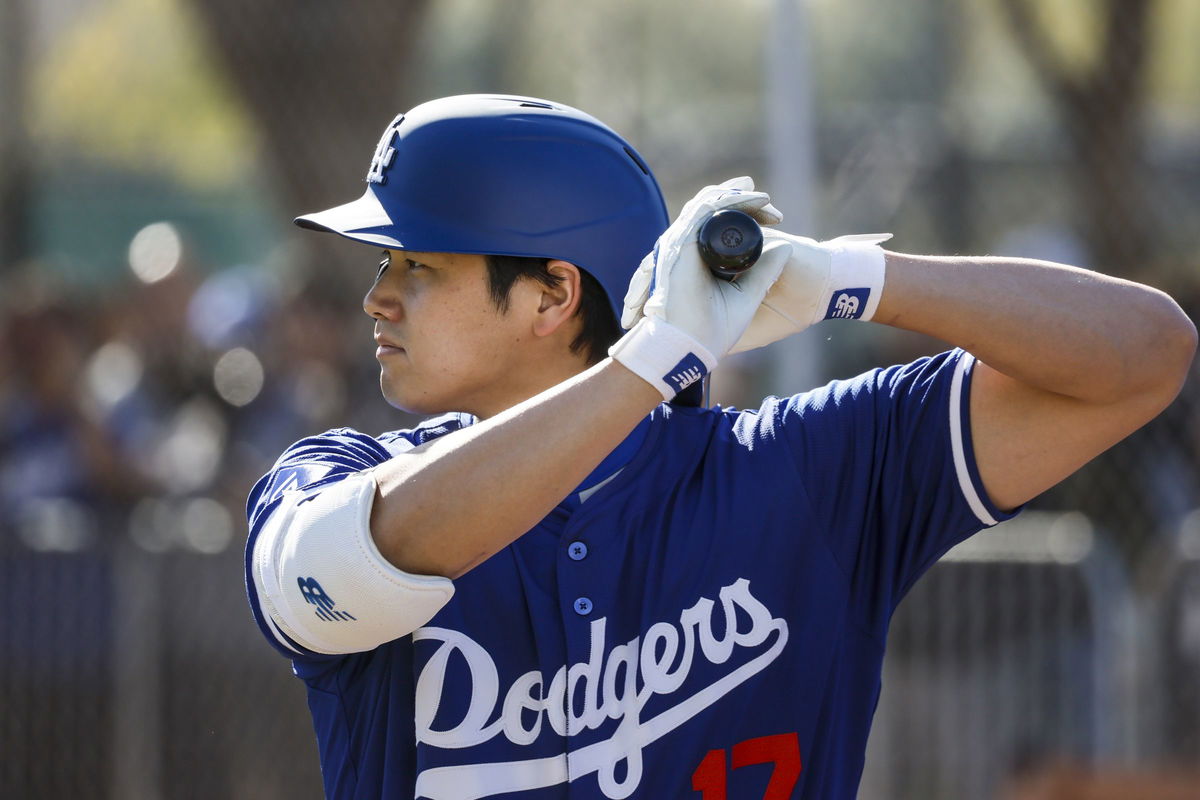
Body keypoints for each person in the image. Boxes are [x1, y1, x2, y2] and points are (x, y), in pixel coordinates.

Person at [243, 94, 1195, 800]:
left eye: (419, 263)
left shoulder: (802, 469)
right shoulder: (339, 477)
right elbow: (371, 554)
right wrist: (649, 362)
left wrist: (853, 277)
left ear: (551, 296)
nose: (378, 294)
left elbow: (1147, 356)